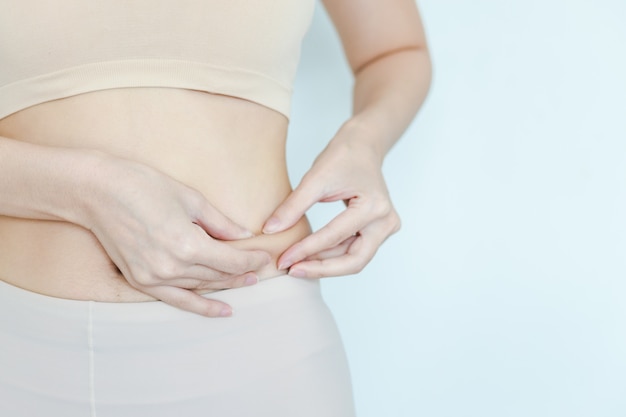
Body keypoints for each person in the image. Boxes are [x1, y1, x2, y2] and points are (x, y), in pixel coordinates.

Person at [0, 0, 431, 416]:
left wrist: (364, 142)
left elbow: (395, 51)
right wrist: (88, 188)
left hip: (263, 346)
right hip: (19, 349)